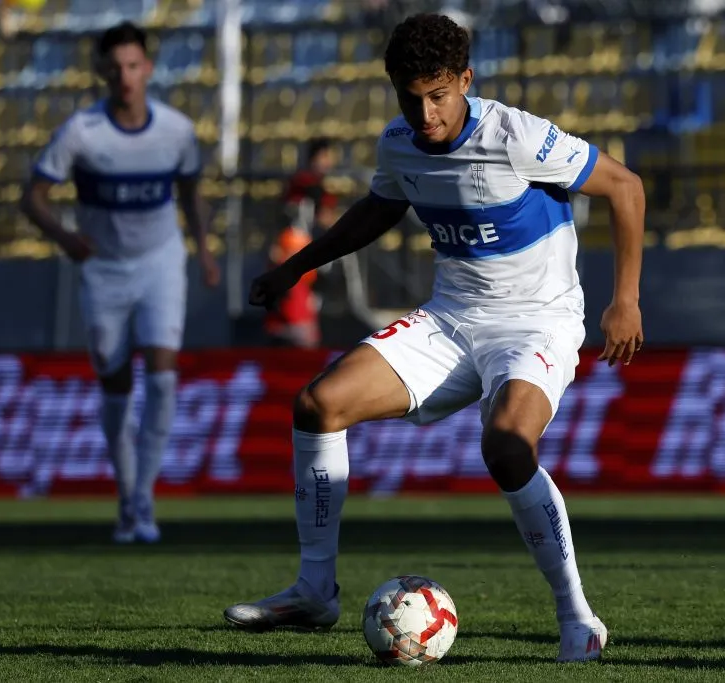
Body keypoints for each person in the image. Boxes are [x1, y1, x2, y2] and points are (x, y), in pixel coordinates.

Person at [224, 13, 644, 663]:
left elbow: (625, 185)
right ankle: (314, 589)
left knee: (506, 444)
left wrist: (625, 300)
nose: (425, 114)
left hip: (536, 320)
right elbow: (380, 207)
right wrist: (296, 266)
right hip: (450, 319)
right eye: (410, 97)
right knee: (318, 403)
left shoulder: (516, 136)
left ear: (465, 82)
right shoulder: (399, 143)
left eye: (439, 95)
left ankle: (577, 616)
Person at [21, 21, 220, 544]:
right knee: (114, 380)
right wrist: (65, 238)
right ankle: (127, 491)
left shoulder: (175, 130)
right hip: (104, 269)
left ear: (148, 69)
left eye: (133, 66)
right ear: (102, 73)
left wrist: (203, 250)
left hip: (160, 262)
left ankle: (143, 499)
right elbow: (33, 196)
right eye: (115, 68)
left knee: (161, 374)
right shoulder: (82, 132)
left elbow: (191, 191)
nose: (125, 76)